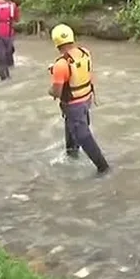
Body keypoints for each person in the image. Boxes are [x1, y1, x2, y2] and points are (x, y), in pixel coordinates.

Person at [47, 24, 110, 176]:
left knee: (82, 135)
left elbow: (56, 92)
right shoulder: (85, 53)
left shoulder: (60, 65)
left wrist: (51, 84)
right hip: (86, 99)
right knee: (72, 127)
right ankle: (71, 155)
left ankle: (103, 167)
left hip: (73, 105)